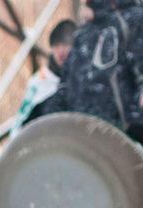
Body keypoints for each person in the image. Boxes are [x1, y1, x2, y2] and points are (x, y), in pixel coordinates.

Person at [44, 0, 143, 144]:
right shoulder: (83, 35)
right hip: (86, 143)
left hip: (129, 141)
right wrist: (45, 119)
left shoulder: (134, 19)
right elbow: (65, 88)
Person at [12, 19, 78, 136]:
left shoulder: (85, 81)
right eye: (56, 45)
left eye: (66, 45)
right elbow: (21, 127)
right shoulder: (39, 82)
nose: (61, 51)